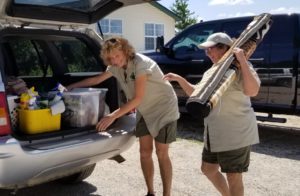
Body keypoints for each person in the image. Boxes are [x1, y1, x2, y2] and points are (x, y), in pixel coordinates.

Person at [67, 37, 179, 196]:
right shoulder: (114, 66)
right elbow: (97, 79)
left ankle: (167, 194)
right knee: (144, 152)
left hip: (163, 108)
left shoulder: (141, 64)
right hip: (144, 109)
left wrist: (112, 116)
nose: (114, 60)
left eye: (117, 56)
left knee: (161, 153)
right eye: (110, 58)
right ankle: (150, 192)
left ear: (126, 51)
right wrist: (71, 86)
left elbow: (137, 98)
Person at [163, 32, 260, 196]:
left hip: (236, 133)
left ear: (224, 49)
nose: (208, 53)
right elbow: (197, 94)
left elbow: (253, 91)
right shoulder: (212, 70)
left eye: (211, 49)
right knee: (208, 169)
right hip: (215, 133)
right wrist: (179, 79)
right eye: (206, 50)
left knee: (234, 177)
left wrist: (242, 60)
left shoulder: (240, 67)